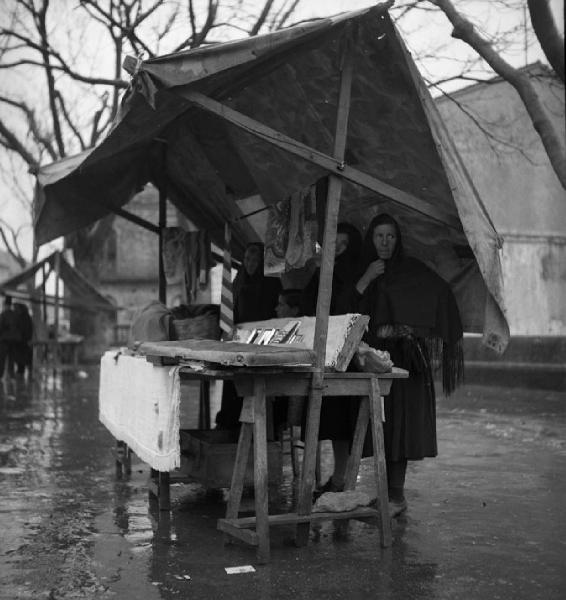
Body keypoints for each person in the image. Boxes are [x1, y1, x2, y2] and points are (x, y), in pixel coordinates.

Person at [355, 213, 464, 517]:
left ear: (398, 239)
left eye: (390, 236)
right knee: (379, 427)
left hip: (404, 361)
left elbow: (440, 294)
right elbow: (349, 309)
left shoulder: (412, 269)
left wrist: (410, 328)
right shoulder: (365, 272)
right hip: (372, 359)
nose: (385, 242)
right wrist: (366, 279)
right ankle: (386, 495)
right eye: (379, 236)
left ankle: (396, 497)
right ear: (371, 239)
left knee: (400, 428)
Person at [301, 222, 363, 496]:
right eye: (333, 244)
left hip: (346, 359)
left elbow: (346, 308)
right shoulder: (323, 272)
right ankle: (333, 479)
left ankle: (342, 479)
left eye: (343, 245)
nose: (337, 249)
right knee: (327, 421)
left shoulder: (354, 273)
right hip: (321, 354)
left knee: (342, 423)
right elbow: (308, 303)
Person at [215, 242, 282, 429]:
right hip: (239, 342)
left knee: (256, 388)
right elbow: (230, 311)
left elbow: (273, 315)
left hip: (263, 343)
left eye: (255, 259)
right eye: (247, 259)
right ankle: (231, 428)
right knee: (234, 387)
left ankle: (261, 431)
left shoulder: (272, 283)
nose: (251, 263)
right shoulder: (239, 280)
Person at [0, 295, 20, 380]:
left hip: (4, 340)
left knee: (2, 359)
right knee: (12, 358)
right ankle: (11, 375)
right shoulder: (16, 315)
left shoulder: (3, 315)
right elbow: (19, 327)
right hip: (14, 340)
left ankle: (0, 375)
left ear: (5, 305)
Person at [13, 303, 34, 378]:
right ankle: (21, 370)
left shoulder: (24, 317)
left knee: (22, 357)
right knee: (22, 357)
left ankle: (21, 370)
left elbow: (26, 329)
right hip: (21, 340)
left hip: (22, 340)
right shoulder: (24, 317)